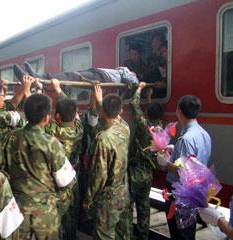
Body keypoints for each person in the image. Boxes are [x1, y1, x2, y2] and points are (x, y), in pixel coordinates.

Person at [4, 93, 76, 239]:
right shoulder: (52, 143)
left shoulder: (10, 138)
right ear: (46, 118)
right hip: (45, 212)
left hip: (17, 210)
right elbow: (66, 181)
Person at [157, 95, 211, 240]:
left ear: (179, 111)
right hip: (194, 192)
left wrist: (165, 163)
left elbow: (185, 171)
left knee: (178, 232)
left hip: (179, 193)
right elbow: (195, 161)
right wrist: (175, 150)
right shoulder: (203, 134)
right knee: (188, 229)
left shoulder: (186, 139)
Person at [83, 92, 130, 240]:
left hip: (107, 198)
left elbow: (99, 175)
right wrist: (101, 102)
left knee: (104, 235)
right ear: (120, 111)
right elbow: (118, 119)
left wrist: (88, 198)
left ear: (102, 111)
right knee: (122, 233)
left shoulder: (103, 140)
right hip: (123, 192)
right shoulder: (125, 129)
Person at [44, 79, 83, 239]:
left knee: (57, 224)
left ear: (57, 117)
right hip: (73, 184)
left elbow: (39, 118)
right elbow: (74, 113)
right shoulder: (79, 130)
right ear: (75, 116)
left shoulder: (51, 130)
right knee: (71, 222)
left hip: (56, 186)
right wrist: (59, 90)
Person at [128, 82, 164, 240]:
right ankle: (143, 235)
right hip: (148, 173)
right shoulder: (160, 128)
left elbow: (134, 104)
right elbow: (151, 116)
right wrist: (149, 99)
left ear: (147, 115)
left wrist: (140, 89)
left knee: (128, 206)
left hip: (135, 172)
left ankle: (128, 234)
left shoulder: (143, 125)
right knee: (144, 206)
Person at [24, 61, 139, 85]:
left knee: (72, 76)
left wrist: (125, 71)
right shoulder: (125, 71)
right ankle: (38, 76)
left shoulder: (131, 75)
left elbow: (131, 81)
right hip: (97, 71)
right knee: (73, 74)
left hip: (102, 77)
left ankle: (39, 76)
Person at [145, 32, 167, 98]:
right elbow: (146, 75)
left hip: (163, 93)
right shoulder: (149, 59)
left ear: (162, 42)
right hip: (151, 91)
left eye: (157, 40)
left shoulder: (165, 58)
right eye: (153, 41)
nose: (154, 43)